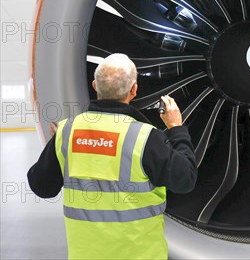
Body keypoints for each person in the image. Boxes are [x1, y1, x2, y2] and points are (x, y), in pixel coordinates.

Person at [27, 53, 197, 260]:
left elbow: (41, 187)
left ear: (94, 85)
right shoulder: (145, 137)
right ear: (134, 90)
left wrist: (59, 149)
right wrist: (176, 128)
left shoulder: (67, 132)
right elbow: (185, 179)